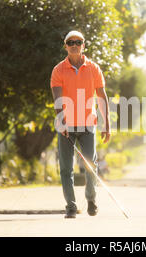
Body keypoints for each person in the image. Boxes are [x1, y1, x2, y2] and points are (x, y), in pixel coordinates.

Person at [50, 30, 111, 218]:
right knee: (66, 168)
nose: (74, 45)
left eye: (78, 42)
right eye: (70, 42)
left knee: (90, 164)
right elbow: (58, 99)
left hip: (87, 124)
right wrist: (62, 122)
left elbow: (101, 97)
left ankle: (91, 200)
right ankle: (71, 207)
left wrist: (106, 124)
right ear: (65, 46)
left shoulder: (94, 68)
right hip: (66, 126)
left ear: (84, 45)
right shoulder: (58, 70)